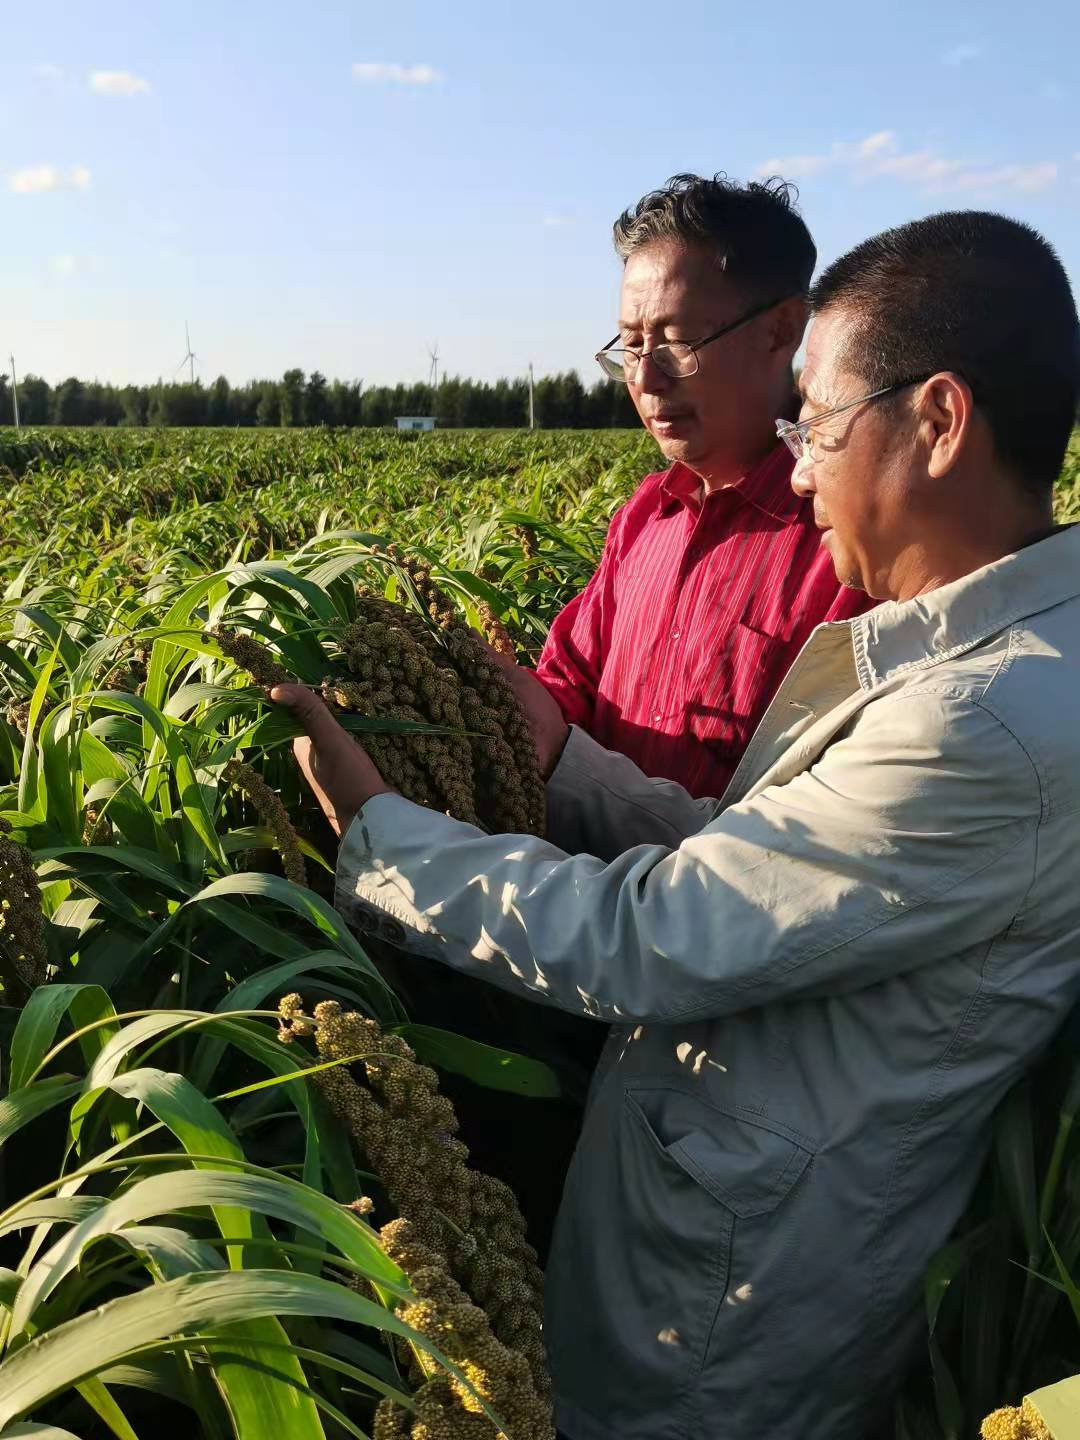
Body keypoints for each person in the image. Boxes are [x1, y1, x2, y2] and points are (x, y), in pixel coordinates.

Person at [273, 209, 1080, 1439]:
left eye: (816, 423)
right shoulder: (981, 656)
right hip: (720, 1218)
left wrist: (380, 834)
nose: (799, 465)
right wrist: (561, 760)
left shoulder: (986, 722)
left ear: (938, 421)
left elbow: (666, 930)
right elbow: (754, 854)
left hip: (728, 1310)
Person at [535, 173, 872, 799]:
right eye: (630, 347)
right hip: (582, 890)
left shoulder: (850, 541)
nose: (647, 379)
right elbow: (567, 684)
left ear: (781, 330)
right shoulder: (646, 516)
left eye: (675, 343)